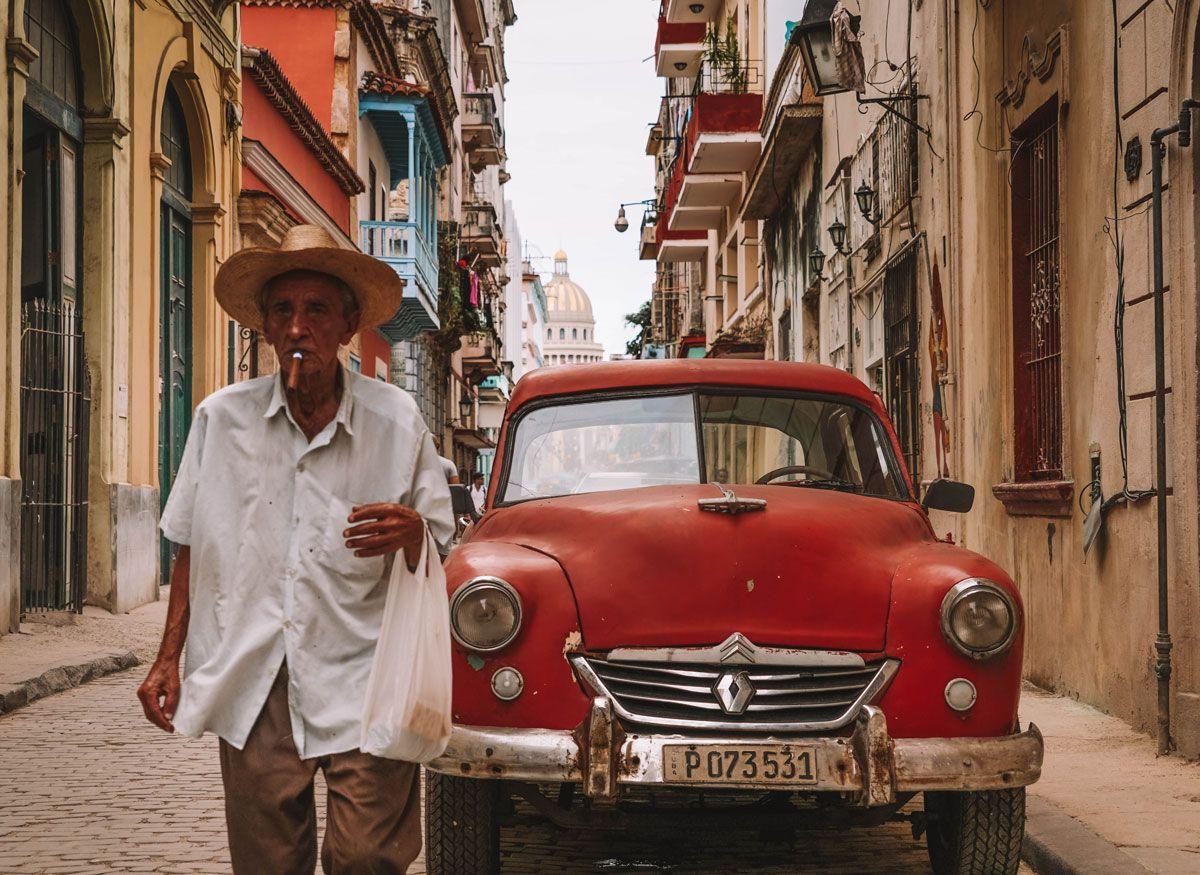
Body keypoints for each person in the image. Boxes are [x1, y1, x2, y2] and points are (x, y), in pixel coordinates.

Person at [137, 224, 454, 875]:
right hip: (254, 673)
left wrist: (414, 532)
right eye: (282, 310)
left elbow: (442, 540)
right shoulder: (220, 421)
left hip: (365, 675)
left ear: (348, 324)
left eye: (316, 310)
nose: (298, 326)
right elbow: (192, 541)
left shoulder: (396, 423)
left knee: (368, 856)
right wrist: (167, 656)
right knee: (267, 863)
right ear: (265, 326)